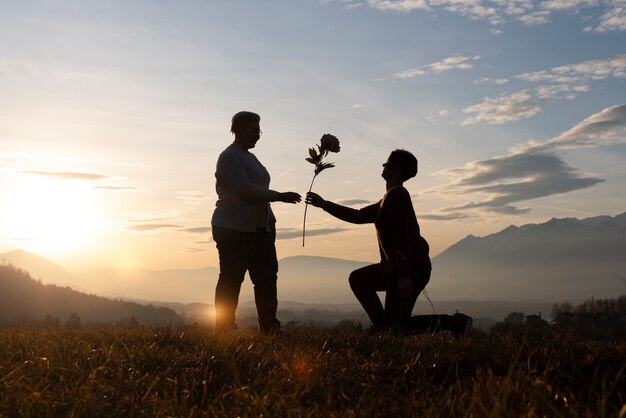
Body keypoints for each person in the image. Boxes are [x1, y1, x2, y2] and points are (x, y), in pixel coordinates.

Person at [306, 149, 433, 334]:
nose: (383, 166)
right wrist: (324, 204)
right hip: (398, 268)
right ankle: (382, 329)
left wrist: (404, 276)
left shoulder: (397, 196)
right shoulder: (388, 198)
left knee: (397, 327)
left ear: (396, 170)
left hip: (411, 268)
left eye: (387, 164)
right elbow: (358, 216)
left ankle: (455, 324)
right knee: (359, 280)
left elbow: (402, 238)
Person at [211, 111, 301, 334]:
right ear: (238, 130)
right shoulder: (229, 156)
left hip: (260, 228)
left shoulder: (249, 157)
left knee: (266, 279)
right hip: (234, 227)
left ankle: (270, 327)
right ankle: (224, 328)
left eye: (259, 131)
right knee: (232, 278)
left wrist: (270, 221)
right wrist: (279, 196)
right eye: (253, 131)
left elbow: (255, 191)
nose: (258, 136)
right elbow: (243, 189)